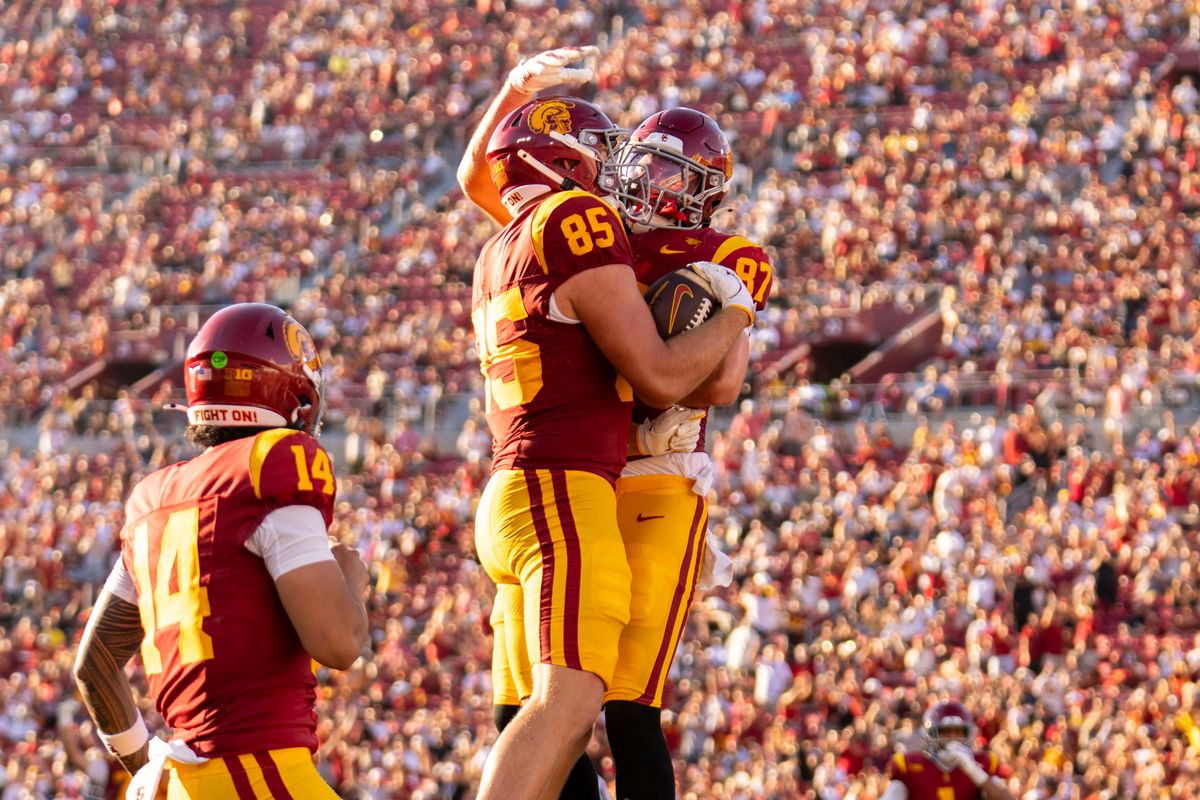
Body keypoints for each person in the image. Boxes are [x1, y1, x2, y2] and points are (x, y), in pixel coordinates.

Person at [458, 48, 769, 800]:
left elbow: (721, 383)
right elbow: (669, 373)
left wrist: (514, 92)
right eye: (641, 162)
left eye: (674, 174)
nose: (644, 181)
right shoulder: (583, 224)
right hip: (575, 480)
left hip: (625, 476)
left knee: (615, 704)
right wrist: (733, 309)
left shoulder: (700, 249)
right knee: (555, 705)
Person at [73, 303, 370, 799]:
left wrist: (143, 761)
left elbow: (94, 662)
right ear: (294, 396)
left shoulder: (153, 498)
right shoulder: (270, 466)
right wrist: (351, 580)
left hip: (181, 785)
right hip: (262, 776)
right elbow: (339, 643)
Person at [882, 701, 1015, 800]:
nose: (953, 736)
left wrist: (974, 771)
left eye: (959, 731)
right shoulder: (910, 766)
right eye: (945, 731)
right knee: (896, 788)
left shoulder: (983, 763)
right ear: (931, 735)